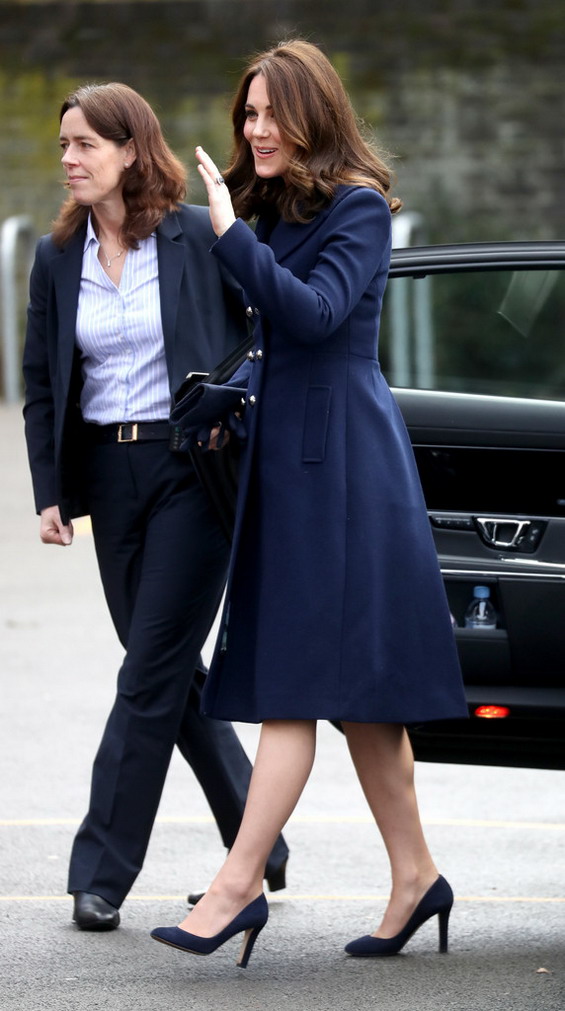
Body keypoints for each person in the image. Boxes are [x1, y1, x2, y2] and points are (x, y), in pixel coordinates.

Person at [150, 40, 468, 968]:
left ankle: (236, 883)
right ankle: (416, 876)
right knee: (358, 694)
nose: (254, 129)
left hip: (340, 469)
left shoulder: (357, 208)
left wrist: (231, 235)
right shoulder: (271, 208)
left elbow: (317, 315)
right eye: (246, 114)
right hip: (288, 460)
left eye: (269, 114)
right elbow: (261, 325)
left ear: (311, 115)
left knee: (293, 679)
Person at [22, 82, 289, 932]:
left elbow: (263, 333)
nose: (69, 159)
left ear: (131, 149)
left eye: (85, 144)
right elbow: (41, 383)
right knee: (165, 667)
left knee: (147, 672)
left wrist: (233, 419)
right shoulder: (55, 257)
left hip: (190, 469)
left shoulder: (194, 234)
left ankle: (101, 870)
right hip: (109, 476)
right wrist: (50, 490)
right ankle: (260, 838)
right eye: (64, 145)